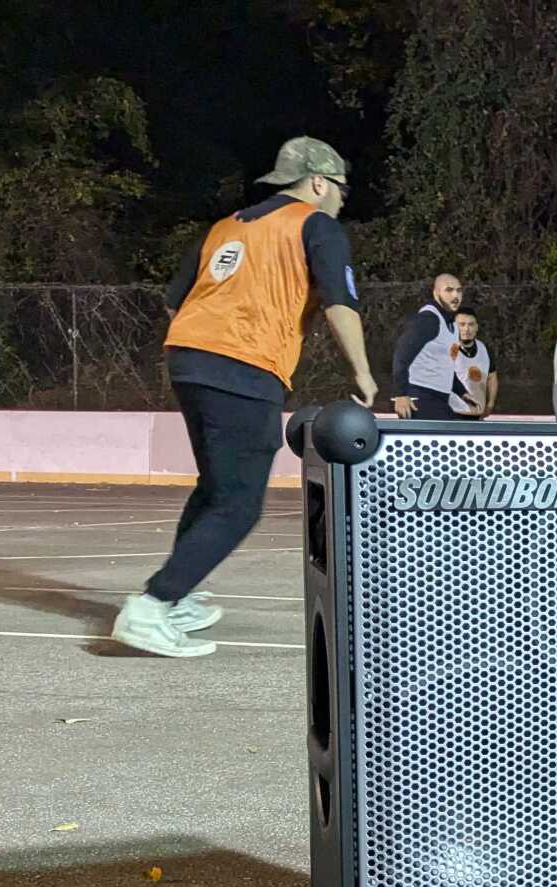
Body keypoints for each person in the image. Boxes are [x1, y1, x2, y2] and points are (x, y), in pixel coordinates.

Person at [112, 136, 376, 658]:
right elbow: (339, 303)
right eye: (341, 187)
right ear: (319, 183)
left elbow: (176, 302)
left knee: (215, 487)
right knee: (238, 504)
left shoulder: (226, 226)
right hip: (244, 366)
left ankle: (177, 593)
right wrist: (365, 375)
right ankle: (152, 606)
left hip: (189, 356)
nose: (344, 198)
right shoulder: (315, 225)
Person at [390, 274, 463, 420]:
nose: (456, 295)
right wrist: (400, 395)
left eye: (459, 290)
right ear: (436, 293)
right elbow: (401, 355)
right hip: (420, 396)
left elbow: (446, 366)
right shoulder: (428, 320)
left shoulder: (452, 324)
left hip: (440, 398)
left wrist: (465, 394)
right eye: (449, 290)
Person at [448, 308, 497, 418]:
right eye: (462, 324)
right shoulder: (446, 349)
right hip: (452, 414)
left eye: (471, 324)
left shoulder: (485, 349)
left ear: (477, 327)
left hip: (477, 415)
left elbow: (492, 377)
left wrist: (490, 404)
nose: (467, 329)